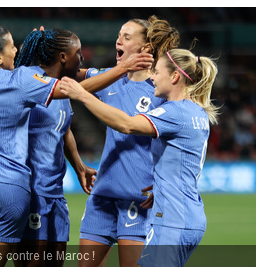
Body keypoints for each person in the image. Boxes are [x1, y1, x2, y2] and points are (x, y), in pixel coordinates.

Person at [0, 24, 153, 266]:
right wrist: (122, 69)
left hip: (15, 188)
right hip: (23, 190)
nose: (16, 50)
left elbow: (62, 128)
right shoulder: (25, 82)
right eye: (11, 47)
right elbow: (72, 91)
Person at [59, 48, 219, 267]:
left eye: (157, 72)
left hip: (173, 219)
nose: (152, 77)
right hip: (187, 214)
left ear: (174, 77)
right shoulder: (196, 112)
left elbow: (127, 125)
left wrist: (82, 95)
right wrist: (162, 187)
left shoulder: (175, 112)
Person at [0, 27, 97, 267]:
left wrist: (79, 166)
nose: (82, 57)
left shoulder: (57, 86)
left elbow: (62, 129)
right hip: (32, 192)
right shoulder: (26, 81)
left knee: (54, 264)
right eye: (78, 52)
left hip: (55, 195)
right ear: (62, 56)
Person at [66, 16, 180, 267]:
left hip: (138, 197)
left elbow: (178, 143)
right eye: (119, 35)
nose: (118, 40)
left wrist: (165, 183)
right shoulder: (109, 77)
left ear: (146, 48)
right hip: (102, 194)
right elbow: (69, 79)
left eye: (127, 37)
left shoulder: (160, 89)